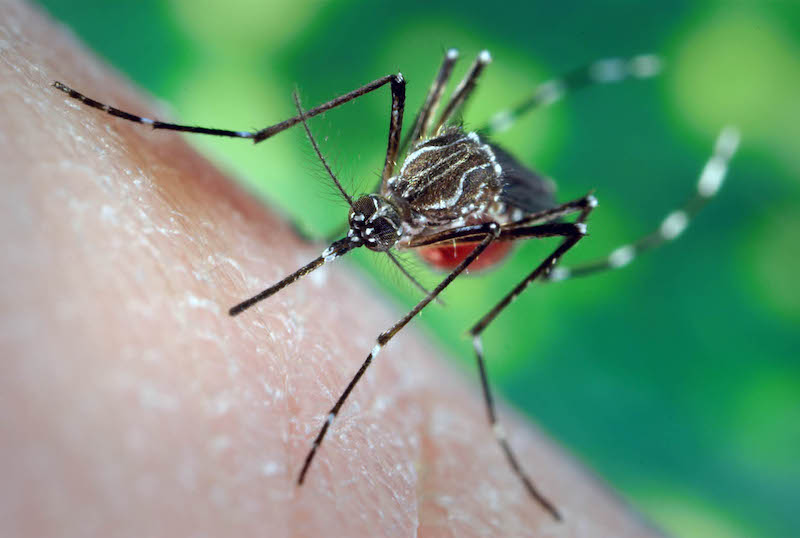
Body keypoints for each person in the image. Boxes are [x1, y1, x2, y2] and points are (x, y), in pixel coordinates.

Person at [0, 1, 662, 535]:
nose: (365, 229)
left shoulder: (454, 220)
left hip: (484, 220)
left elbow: (524, 220)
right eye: (367, 214)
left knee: (571, 218)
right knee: (428, 78)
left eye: (376, 224)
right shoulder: (393, 189)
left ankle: (474, 334)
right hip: (449, 173)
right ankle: (245, 139)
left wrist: (388, 340)